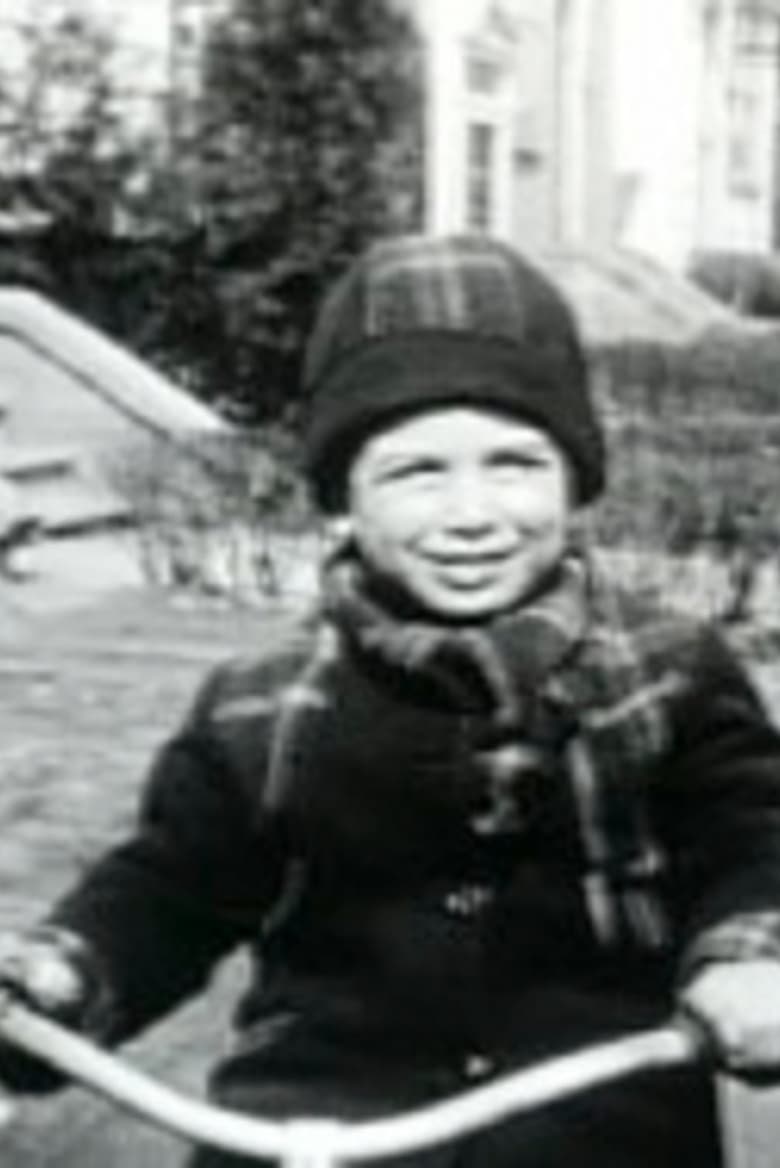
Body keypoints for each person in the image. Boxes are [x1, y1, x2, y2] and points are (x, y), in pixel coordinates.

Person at [2, 233, 780, 1168]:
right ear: (343, 500)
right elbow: (170, 888)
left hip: (596, 1124)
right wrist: (58, 975)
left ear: (576, 479)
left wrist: (750, 955)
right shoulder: (262, 706)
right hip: (325, 1123)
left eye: (515, 464)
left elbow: (753, 841)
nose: (472, 514)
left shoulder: (669, 672)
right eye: (416, 473)